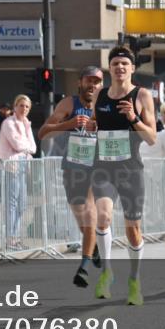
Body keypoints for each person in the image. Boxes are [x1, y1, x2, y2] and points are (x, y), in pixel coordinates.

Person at [85, 46, 156, 306]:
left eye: (124, 64)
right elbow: (95, 123)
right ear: (109, 68)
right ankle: (107, 273)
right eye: (115, 64)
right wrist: (91, 127)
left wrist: (133, 118)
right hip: (103, 167)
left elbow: (151, 138)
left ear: (132, 68)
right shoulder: (100, 95)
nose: (120, 68)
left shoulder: (142, 95)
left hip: (131, 170)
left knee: (133, 230)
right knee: (102, 218)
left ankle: (135, 280)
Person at [38, 66, 104, 286]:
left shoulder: (106, 105)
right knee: (79, 211)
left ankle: (84, 266)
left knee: (90, 208)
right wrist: (69, 124)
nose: (92, 85)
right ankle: (91, 244)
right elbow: (43, 132)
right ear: (80, 83)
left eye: (97, 81)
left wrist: (100, 128)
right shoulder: (69, 103)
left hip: (97, 166)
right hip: (73, 166)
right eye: (89, 80)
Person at [0, 94, 36, 251]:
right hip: (10, 165)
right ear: (15, 107)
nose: (24, 109)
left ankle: (16, 236)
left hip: (22, 165)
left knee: (22, 203)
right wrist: (26, 148)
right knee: (12, 203)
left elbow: (33, 147)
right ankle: (10, 239)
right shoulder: (8, 123)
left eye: (27, 106)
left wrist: (26, 147)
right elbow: (17, 144)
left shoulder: (27, 123)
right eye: (21, 105)